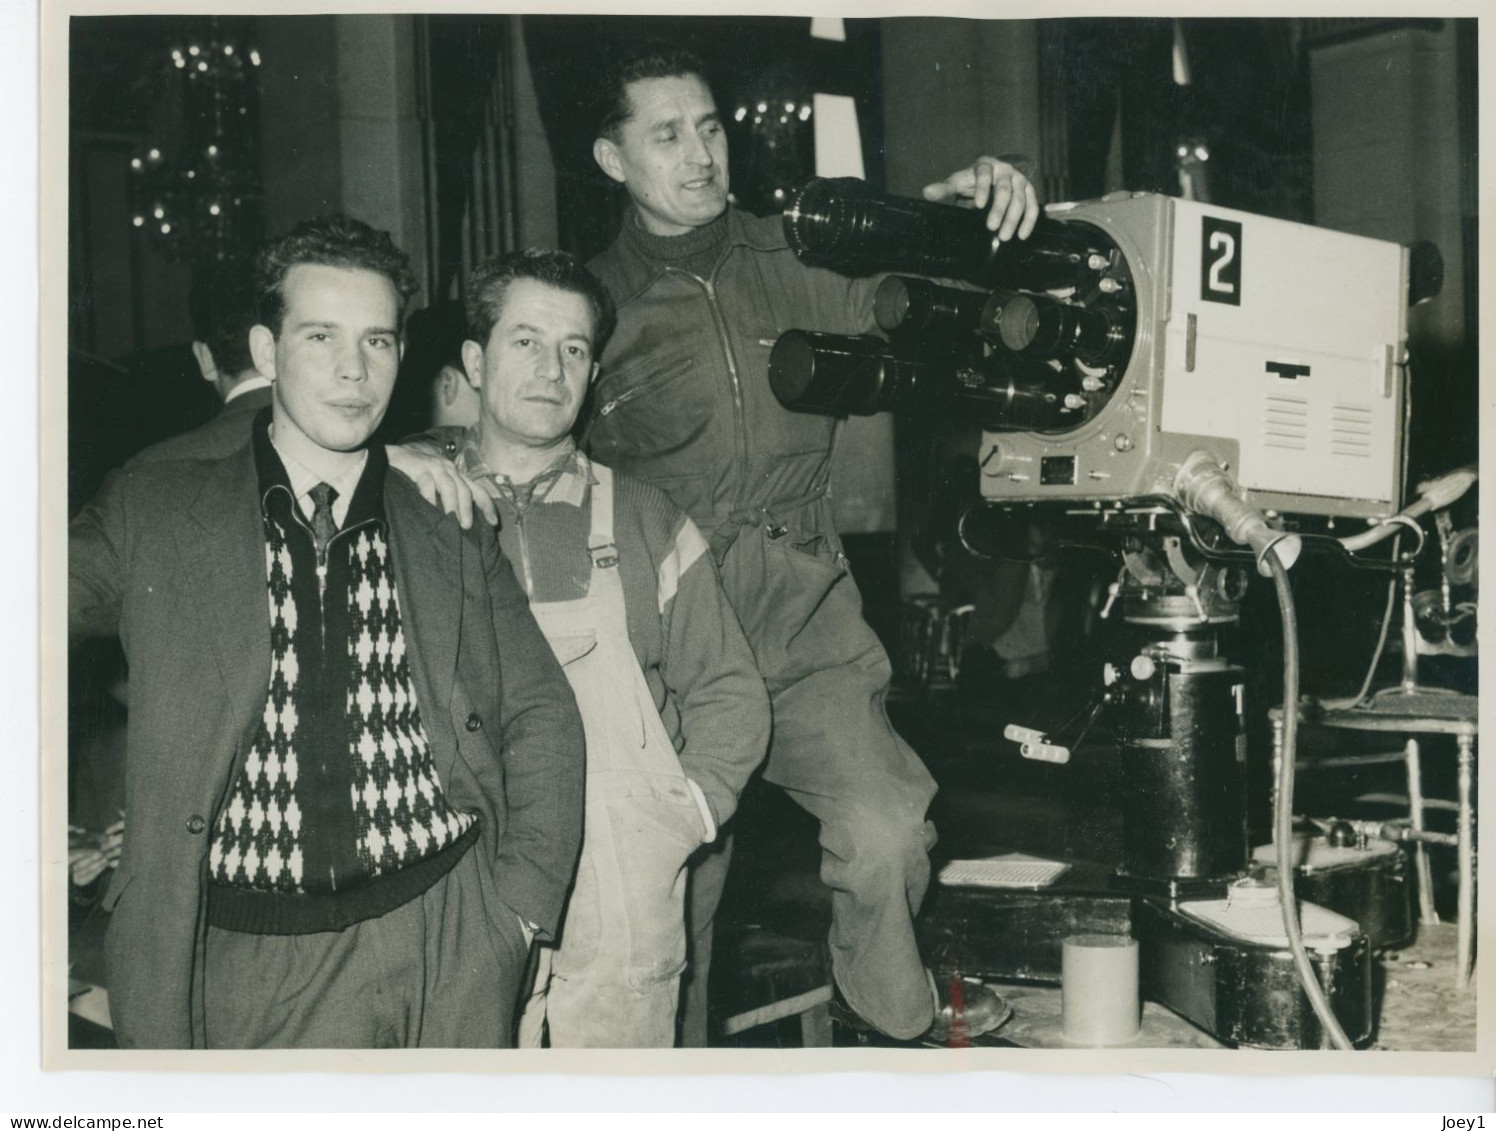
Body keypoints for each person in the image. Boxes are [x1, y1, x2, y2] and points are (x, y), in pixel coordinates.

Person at [582, 46, 1040, 1044]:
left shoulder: (794, 259)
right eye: (666, 134)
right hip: (670, 648)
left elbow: (917, 283)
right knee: (678, 915)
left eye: (707, 127)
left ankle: (894, 1028)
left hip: (802, 628)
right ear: (611, 160)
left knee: (886, 837)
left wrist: (975, 209)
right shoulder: (588, 309)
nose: (700, 154)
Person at [68, 214, 586, 1049]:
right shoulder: (156, 512)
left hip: (448, 934)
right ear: (266, 353)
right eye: (321, 336)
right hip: (252, 959)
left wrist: (518, 912)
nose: (355, 370)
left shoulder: (443, 515)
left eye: (378, 341)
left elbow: (543, 712)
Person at [451, 249, 769, 1047]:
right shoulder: (418, 506)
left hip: (620, 876)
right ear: (473, 361)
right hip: (464, 869)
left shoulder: (645, 518)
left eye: (573, 349)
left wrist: (679, 815)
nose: (550, 369)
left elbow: (730, 693)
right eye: (525, 341)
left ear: (593, 372)